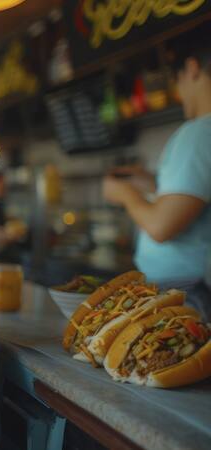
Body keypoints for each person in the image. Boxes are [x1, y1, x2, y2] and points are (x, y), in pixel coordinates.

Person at [102, 30, 211, 320]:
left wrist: (124, 193)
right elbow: (193, 199)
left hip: (183, 292)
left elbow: (162, 227)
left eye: (177, 80)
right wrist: (151, 182)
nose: (179, 90)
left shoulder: (198, 133)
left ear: (192, 68)